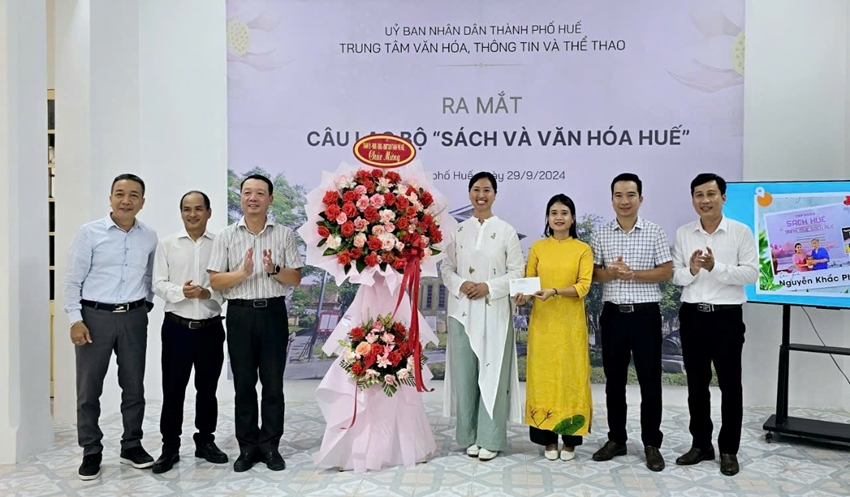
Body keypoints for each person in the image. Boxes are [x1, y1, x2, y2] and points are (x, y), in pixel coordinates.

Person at [63, 173, 158, 480]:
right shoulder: (90, 233)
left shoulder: (149, 236)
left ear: (142, 202)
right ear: (110, 198)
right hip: (94, 318)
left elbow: (149, 275)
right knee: (88, 389)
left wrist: (145, 305)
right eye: (119, 193)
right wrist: (75, 319)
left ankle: (132, 445)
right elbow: (71, 280)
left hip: (133, 317)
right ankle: (91, 450)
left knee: (133, 386)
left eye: (133, 195)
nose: (126, 200)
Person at [208, 174, 303, 472]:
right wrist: (242, 273)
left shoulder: (284, 234)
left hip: (273, 313)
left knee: (273, 385)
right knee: (245, 385)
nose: (253, 198)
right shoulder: (225, 236)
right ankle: (247, 448)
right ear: (241, 198)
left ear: (270, 199)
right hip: (239, 315)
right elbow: (214, 280)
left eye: (260, 193)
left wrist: (273, 269)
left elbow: (296, 278)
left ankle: (271, 446)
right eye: (247, 192)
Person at [671, 173, 758, 477]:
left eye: (711, 194)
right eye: (698, 195)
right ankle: (701, 444)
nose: (705, 201)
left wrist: (715, 267)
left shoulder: (740, 232)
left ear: (723, 197)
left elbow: (751, 274)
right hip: (693, 316)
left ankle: (729, 450)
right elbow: (676, 276)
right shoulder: (684, 233)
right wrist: (693, 269)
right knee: (696, 386)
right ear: (693, 198)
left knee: (730, 386)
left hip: (726, 318)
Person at [589, 173, 672, 472]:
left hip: (646, 315)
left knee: (651, 382)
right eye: (618, 195)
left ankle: (652, 443)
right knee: (614, 383)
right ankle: (617, 439)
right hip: (612, 316)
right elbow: (594, 274)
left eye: (630, 195)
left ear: (641, 198)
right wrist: (611, 273)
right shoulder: (600, 234)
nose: (624, 201)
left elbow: (666, 272)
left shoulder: (654, 232)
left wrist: (633, 273)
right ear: (611, 198)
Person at [440, 171, 524, 461]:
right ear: (469, 193)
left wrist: (488, 287)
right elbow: (446, 268)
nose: (481, 195)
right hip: (461, 311)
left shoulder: (506, 231)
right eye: (476, 189)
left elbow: (517, 273)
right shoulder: (457, 232)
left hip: (494, 311)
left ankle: (490, 437)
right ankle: (469, 436)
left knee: (492, 375)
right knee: (465, 377)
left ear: (495, 195)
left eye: (487, 190)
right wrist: (461, 285)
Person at [151, 191, 228, 474]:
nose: (192, 214)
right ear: (181, 212)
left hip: (210, 329)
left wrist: (208, 292)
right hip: (177, 329)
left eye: (198, 209)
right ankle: (169, 447)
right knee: (173, 391)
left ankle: (205, 442)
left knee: (207, 390)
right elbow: (157, 283)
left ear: (209, 212)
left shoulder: (221, 244)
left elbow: (228, 285)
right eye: (186, 209)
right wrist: (179, 292)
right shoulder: (167, 244)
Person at [514, 194, 593, 462]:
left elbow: (583, 286)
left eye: (564, 212)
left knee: (570, 378)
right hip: (543, 325)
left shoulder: (582, 249)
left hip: (571, 327)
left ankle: (570, 440)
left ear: (572, 217)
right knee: (544, 378)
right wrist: (522, 295)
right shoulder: (538, 248)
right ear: (547, 218)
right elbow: (528, 281)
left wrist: (556, 291)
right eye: (553, 212)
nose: (559, 217)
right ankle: (547, 439)